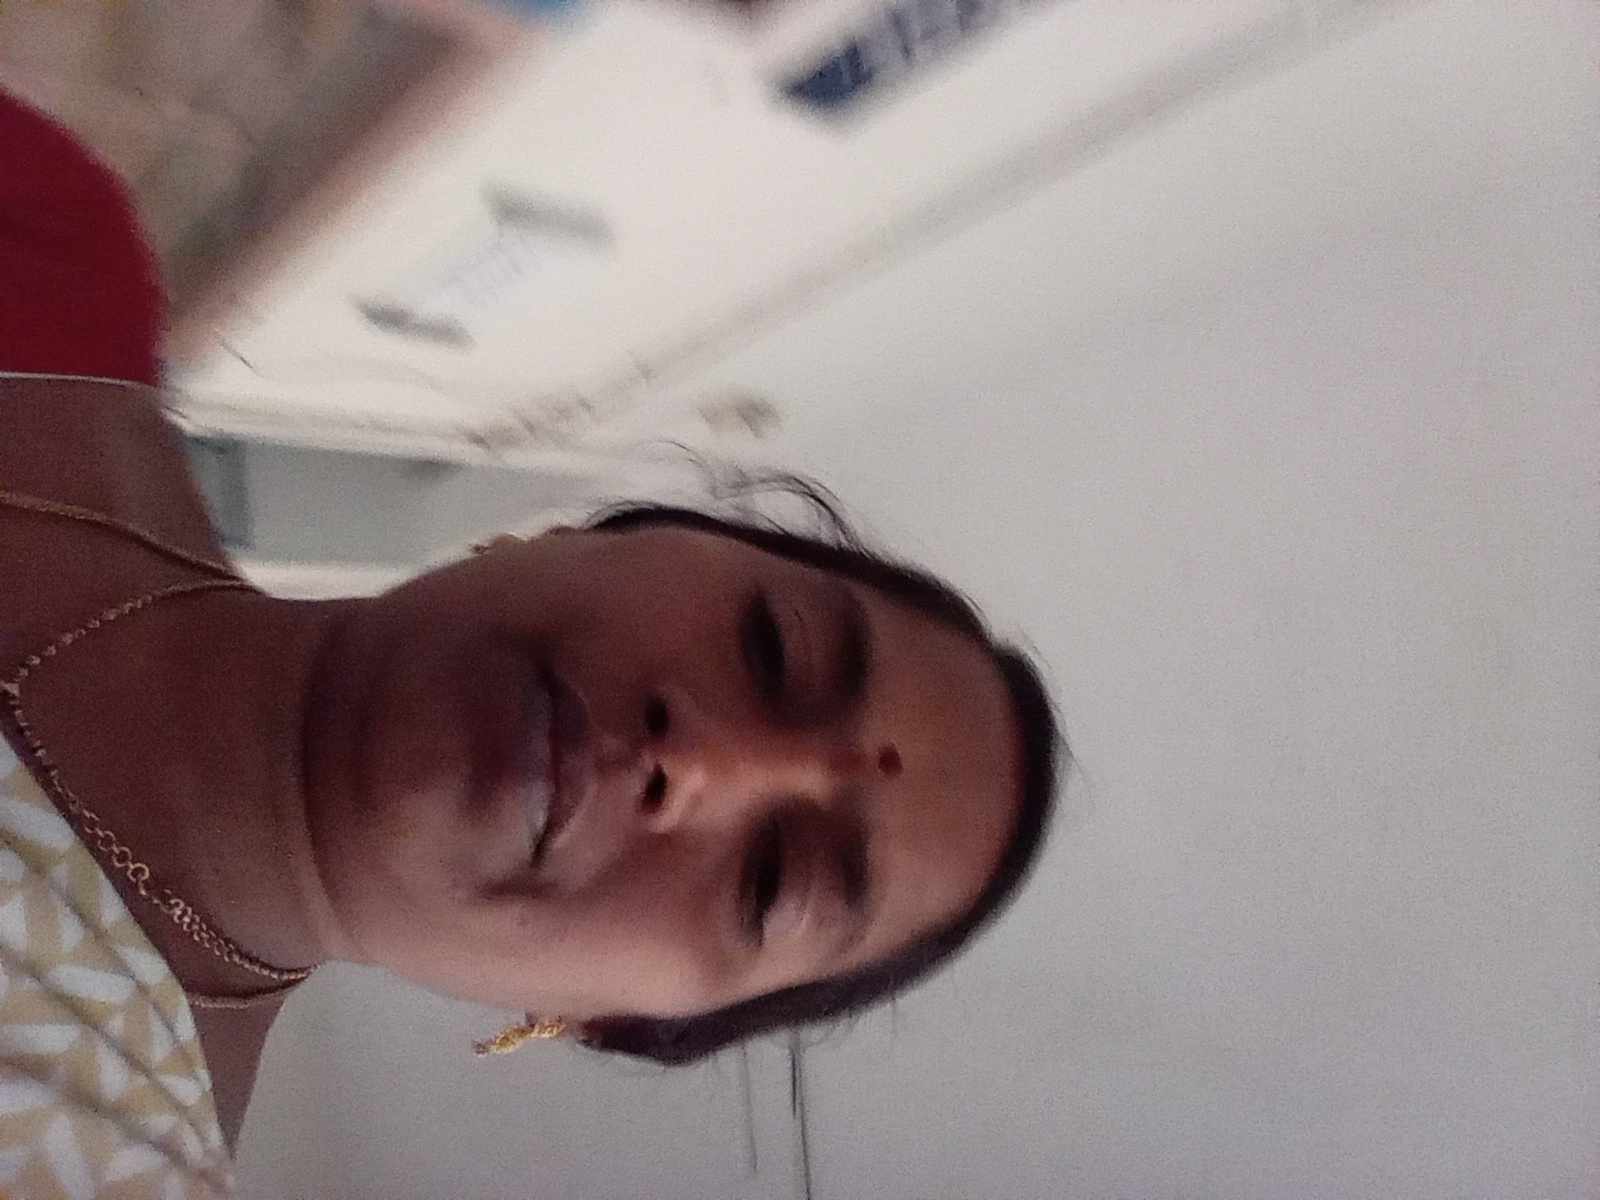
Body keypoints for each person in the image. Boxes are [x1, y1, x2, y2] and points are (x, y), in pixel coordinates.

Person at [0, 88, 1061, 1197]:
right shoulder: (48, 245)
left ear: (601, 1020)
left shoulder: (107, 1157)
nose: (698, 765)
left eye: (770, 885)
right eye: (769, 648)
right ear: (603, 535)